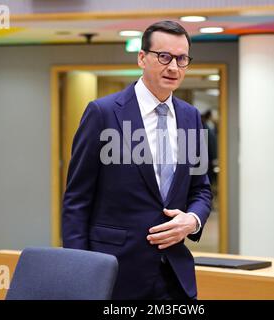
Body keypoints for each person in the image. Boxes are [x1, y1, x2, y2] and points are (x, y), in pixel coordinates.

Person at [62, 20, 212, 300]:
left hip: (174, 276)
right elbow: (77, 200)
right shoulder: (103, 113)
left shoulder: (190, 117)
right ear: (142, 58)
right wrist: (78, 271)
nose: (173, 67)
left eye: (182, 59)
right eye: (164, 56)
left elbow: (201, 189)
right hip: (114, 273)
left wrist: (193, 220)